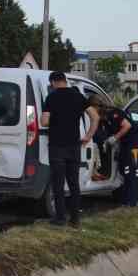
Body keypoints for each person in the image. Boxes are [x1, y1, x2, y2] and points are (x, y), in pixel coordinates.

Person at [39, 72, 94, 227]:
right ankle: (75, 219)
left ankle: (60, 218)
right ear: (65, 80)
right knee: (73, 183)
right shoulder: (78, 97)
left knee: (58, 183)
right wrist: (88, 136)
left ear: (54, 82)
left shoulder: (51, 98)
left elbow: (44, 122)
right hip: (74, 146)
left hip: (57, 146)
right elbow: (95, 117)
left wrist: (52, 120)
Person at [92, 102, 138, 207]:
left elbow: (127, 126)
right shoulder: (105, 121)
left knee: (131, 171)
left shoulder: (114, 113)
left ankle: (132, 202)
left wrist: (115, 138)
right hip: (125, 144)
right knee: (124, 170)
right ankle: (125, 199)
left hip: (134, 143)